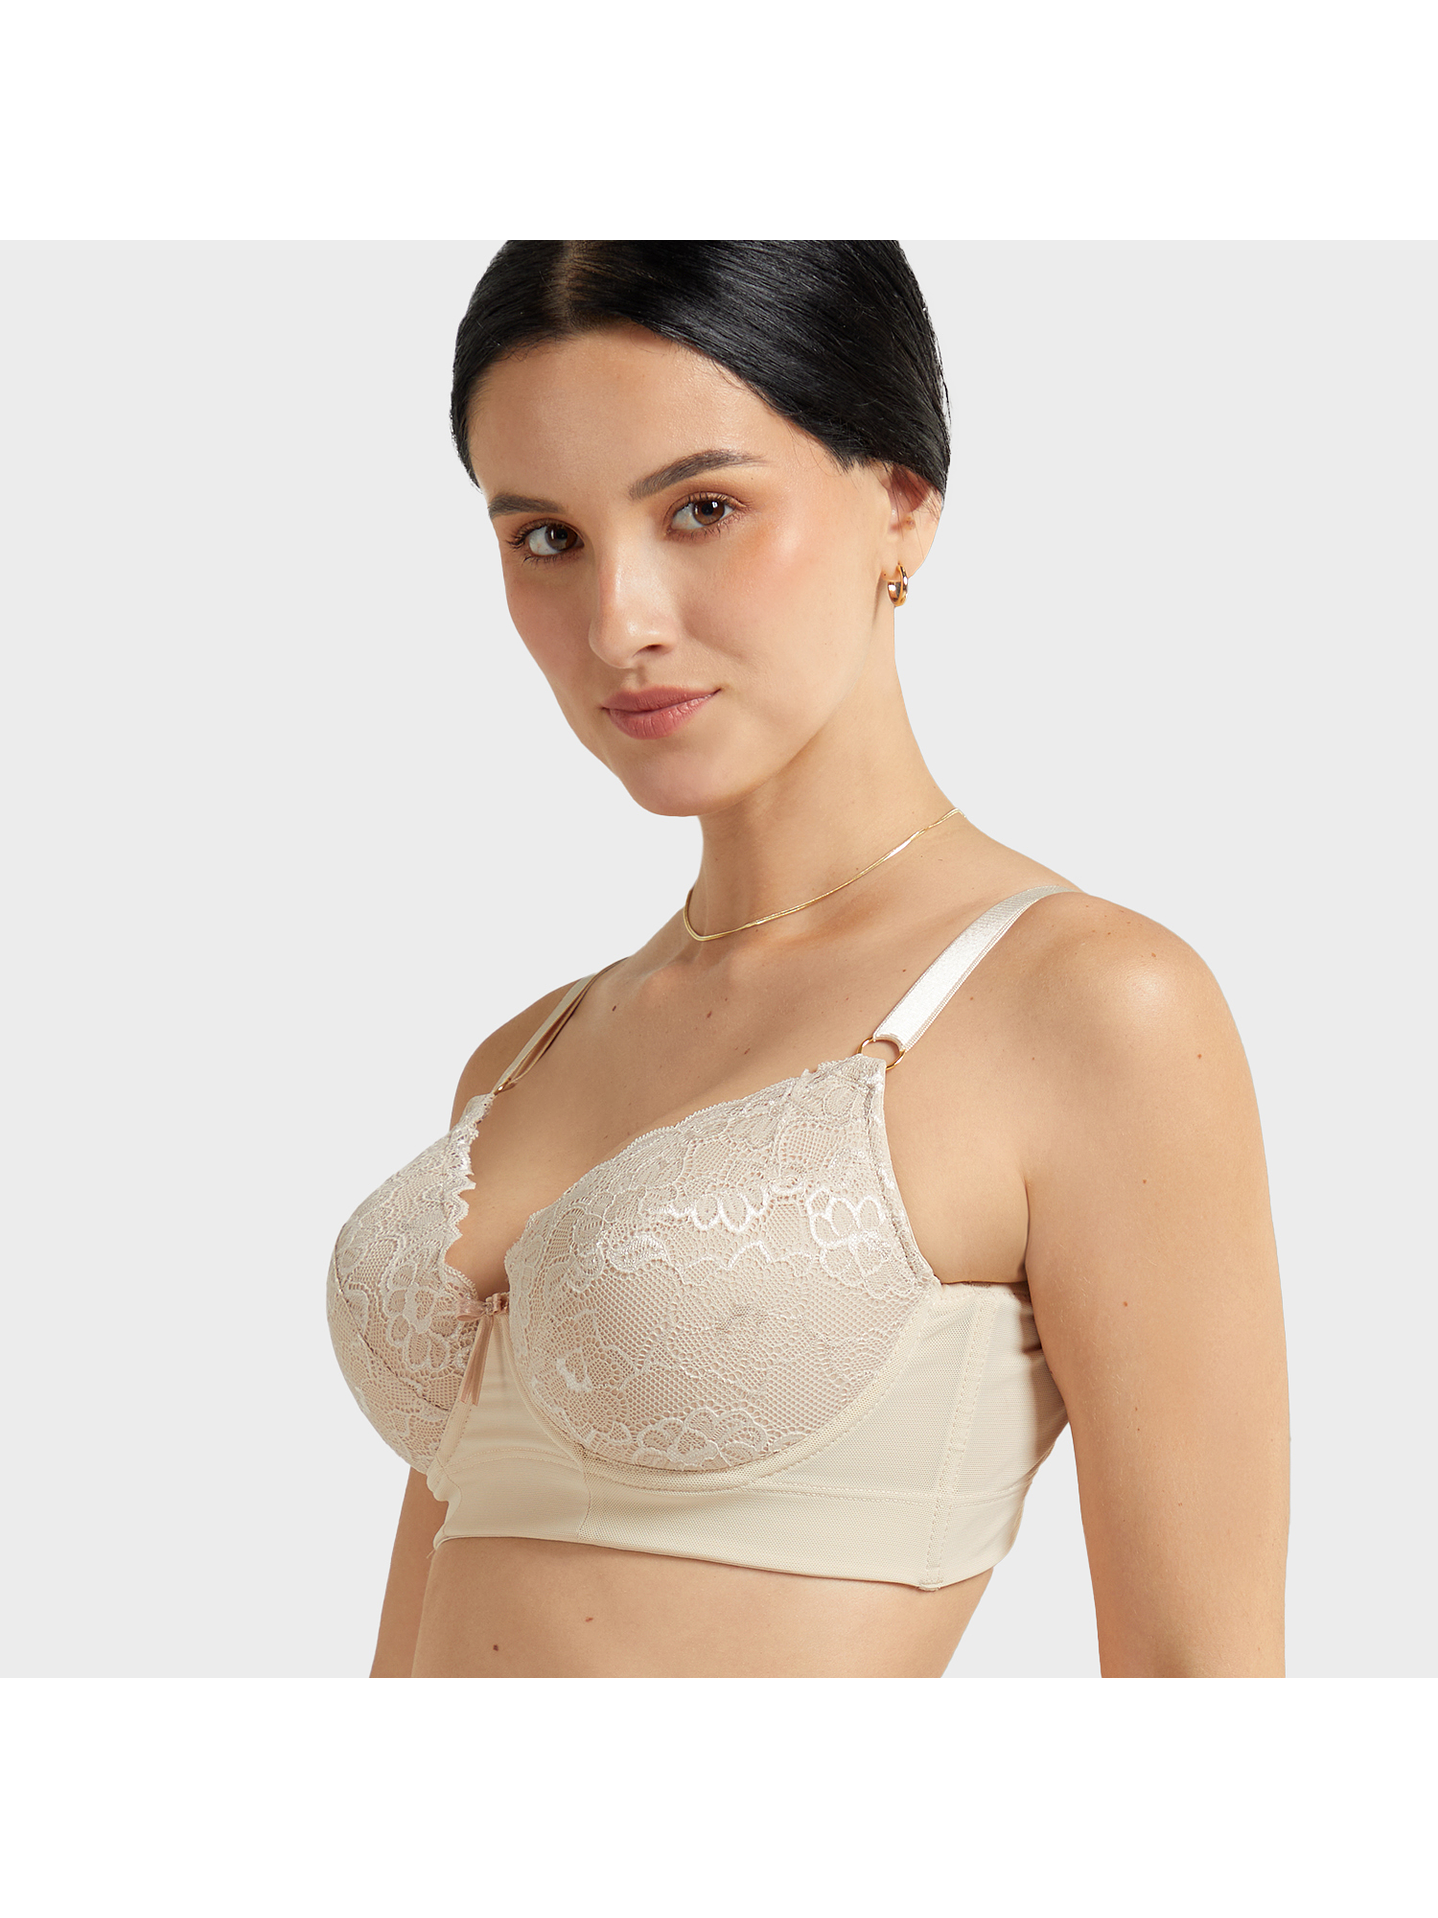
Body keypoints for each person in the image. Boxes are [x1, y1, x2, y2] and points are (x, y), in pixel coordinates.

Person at [327, 240, 1289, 1678]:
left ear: (902, 499)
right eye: (546, 537)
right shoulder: (524, 1056)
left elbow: (1197, 1658)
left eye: (702, 509)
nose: (619, 622)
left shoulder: (1084, 1006)